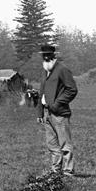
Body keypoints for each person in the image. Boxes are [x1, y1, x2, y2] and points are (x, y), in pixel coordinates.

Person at [36, 45, 78, 177]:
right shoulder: (44, 71)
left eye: (49, 55)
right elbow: (41, 92)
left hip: (59, 113)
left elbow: (72, 89)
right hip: (47, 113)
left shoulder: (62, 69)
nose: (46, 57)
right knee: (52, 145)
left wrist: (56, 104)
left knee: (65, 144)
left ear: (54, 56)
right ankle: (55, 171)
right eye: (44, 55)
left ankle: (68, 171)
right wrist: (40, 112)